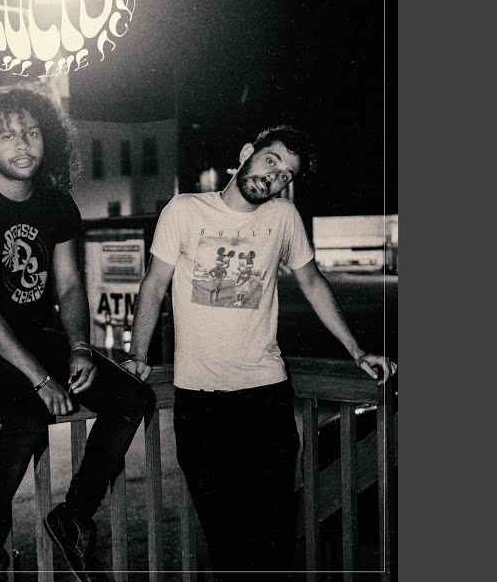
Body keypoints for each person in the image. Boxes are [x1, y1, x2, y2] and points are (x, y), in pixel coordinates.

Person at [125, 125, 396, 579]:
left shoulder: (283, 217)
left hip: (265, 398)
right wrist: (138, 353)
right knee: (225, 540)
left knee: (273, 538)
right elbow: (153, 286)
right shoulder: (185, 210)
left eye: (286, 174)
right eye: (272, 161)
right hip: (199, 403)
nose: (275, 177)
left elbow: (312, 282)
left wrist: (356, 350)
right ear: (247, 153)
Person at [0, 88, 155, 582]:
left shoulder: (56, 204)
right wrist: (40, 378)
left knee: (133, 398)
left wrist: (79, 347)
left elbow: (70, 285)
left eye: (32, 132)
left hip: (35, 336)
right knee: (29, 416)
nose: (23, 144)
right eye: (7, 135)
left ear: (47, 140)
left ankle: (74, 516)